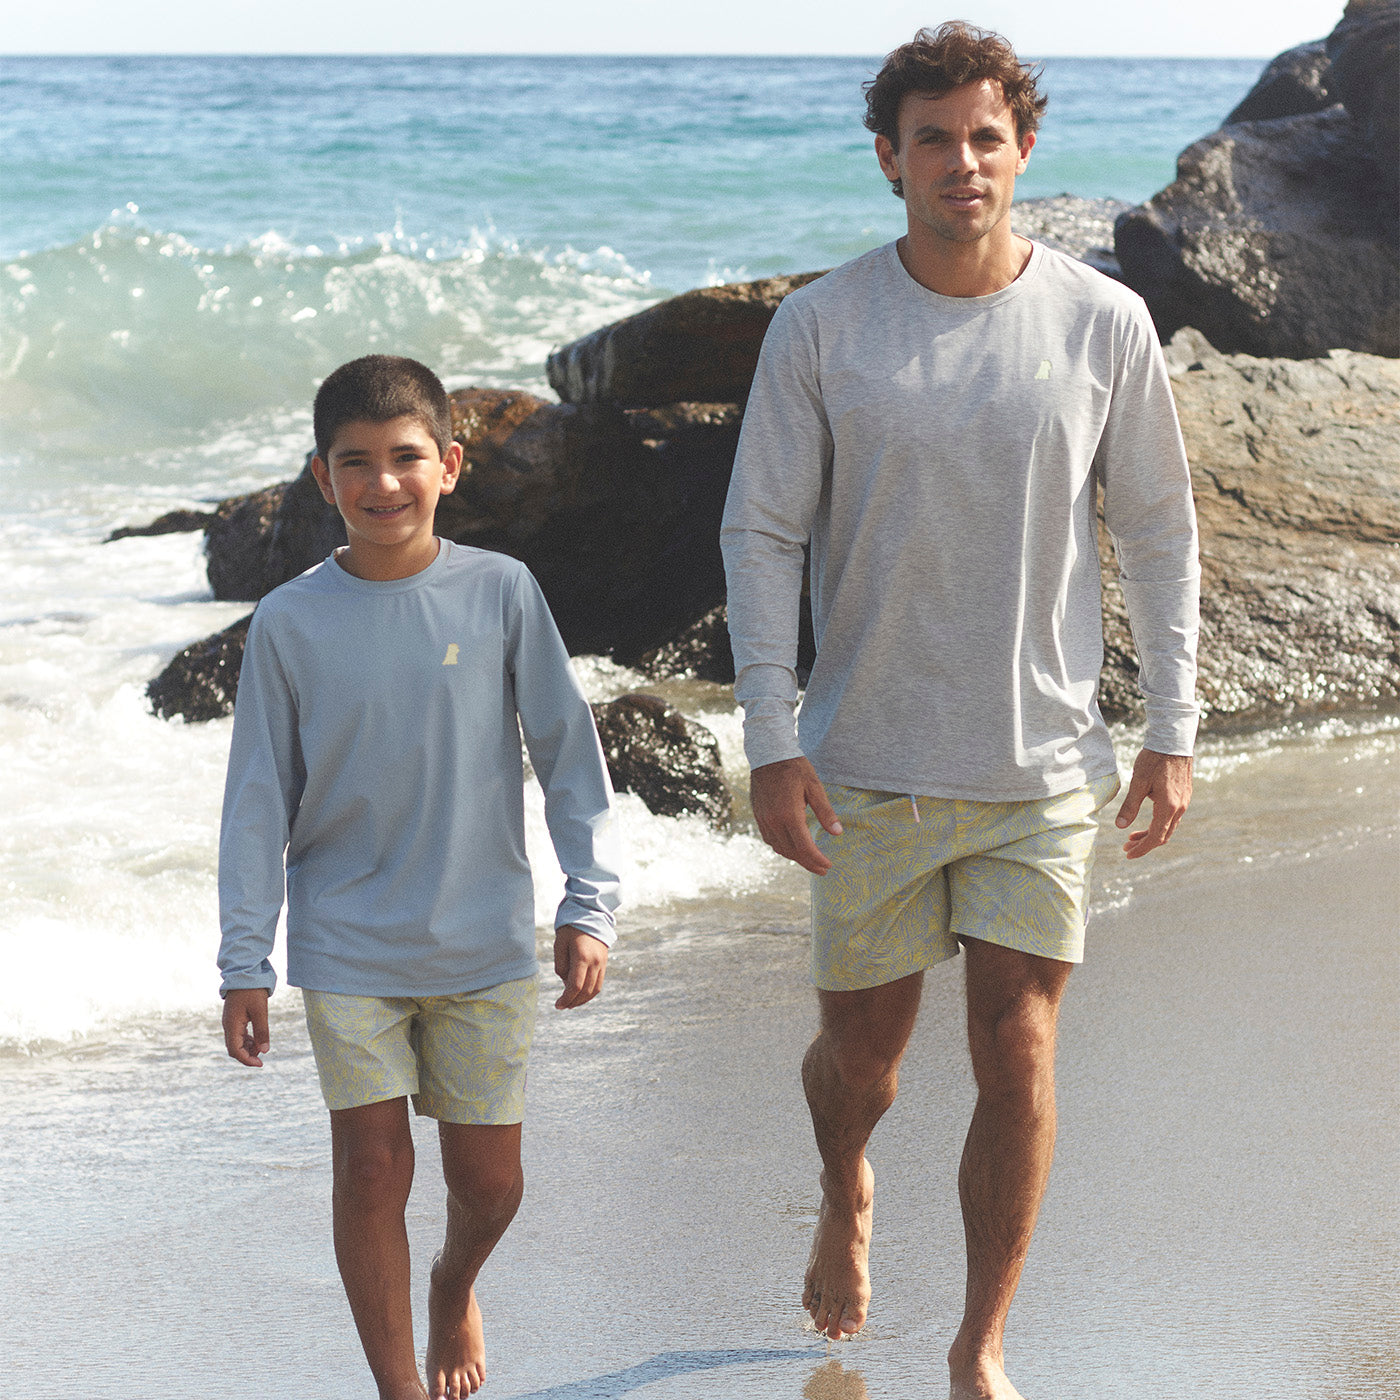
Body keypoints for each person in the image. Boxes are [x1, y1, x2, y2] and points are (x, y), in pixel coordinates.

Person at [720, 22, 1199, 1400]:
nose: (963, 162)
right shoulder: (822, 326)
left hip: (1042, 760)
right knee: (861, 1063)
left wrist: (1173, 726)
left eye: (987, 136)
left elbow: (1160, 533)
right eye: (934, 138)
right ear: (890, 159)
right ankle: (845, 1183)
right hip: (865, 756)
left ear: (1024, 148)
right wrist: (772, 737)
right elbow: (762, 535)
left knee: (1020, 1043)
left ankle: (981, 1341)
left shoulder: (1102, 324)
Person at [218, 355, 619, 1400]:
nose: (382, 483)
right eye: (357, 463)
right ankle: (396, 1386)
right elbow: (257, 801)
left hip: (481, 936)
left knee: (488, 1183)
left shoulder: (499, 592)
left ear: (448, 464)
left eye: (405, 459)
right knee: (371, 1168)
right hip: (346, 940)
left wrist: (588, 903)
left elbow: (567, 757)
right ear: (322, 478)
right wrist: (243, 958)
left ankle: (453, 1280)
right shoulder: (287, 624)